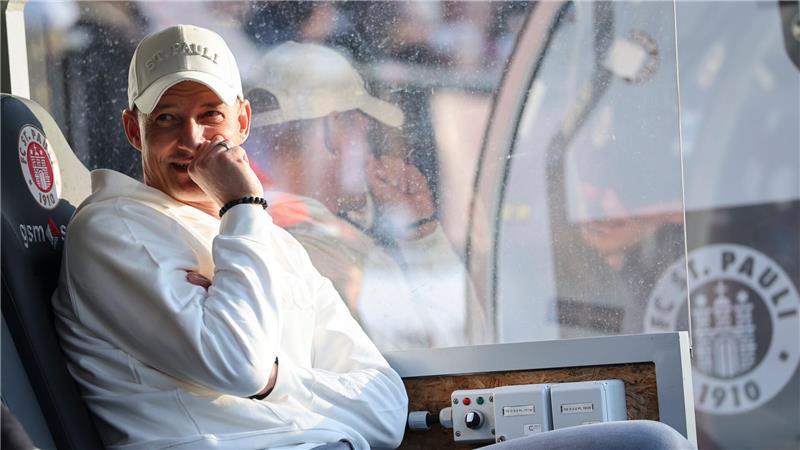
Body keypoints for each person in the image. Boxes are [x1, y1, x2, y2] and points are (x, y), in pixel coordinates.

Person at [52, 25, 407, 450]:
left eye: (210, 115)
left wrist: (277, 379)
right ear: (134, 130)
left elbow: (387, 410)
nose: (191, 139)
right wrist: (241, 203)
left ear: (242, 121)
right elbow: (240, 367)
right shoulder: (110, 230)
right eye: (167, 118)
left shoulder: (269, 240)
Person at [243, 42, 488, 351]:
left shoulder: (250, 223)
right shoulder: (330, 252)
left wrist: (417, 228)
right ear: (333, 129)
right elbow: (461, 346)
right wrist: (424, 240)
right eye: (361, 127)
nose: (370, 148)